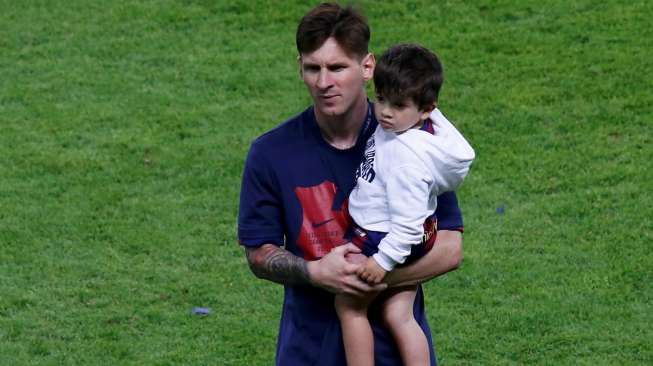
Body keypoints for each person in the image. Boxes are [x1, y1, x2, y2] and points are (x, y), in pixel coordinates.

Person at [238, 3, 466, 365]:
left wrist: (366, 278)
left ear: (367, 67)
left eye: (337, 67)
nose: (324, 82)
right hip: (307, 355)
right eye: (313, 68)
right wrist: (314, 272)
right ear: (300, 68)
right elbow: (258, 253)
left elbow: (450, 247)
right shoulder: (270, 153)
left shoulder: (412, 142)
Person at [335, 44, 475, 366]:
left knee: (348, 304)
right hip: (422, 233)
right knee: (399, 313)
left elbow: (407, 226)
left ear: (425, 108)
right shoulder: (426, 130)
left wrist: (381, 262)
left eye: (398, 105)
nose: (385, 112)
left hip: (386, 237)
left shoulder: (404, 161)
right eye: (381, 98)